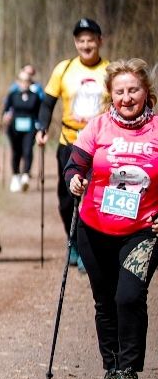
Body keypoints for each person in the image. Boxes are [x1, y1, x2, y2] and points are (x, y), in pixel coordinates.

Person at [64, 58, 158, 379]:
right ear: (110, 95)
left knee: (129, 297)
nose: (126, 97)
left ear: (146, 92)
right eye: (119, 91)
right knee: (104, 301)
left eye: (133, 90)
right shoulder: (98, 126)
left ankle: (130, 369)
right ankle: (112, 368)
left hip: (142, 231)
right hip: (95, 228)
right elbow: (75, 164)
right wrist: (74, 179)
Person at [37, 18, 109, 270]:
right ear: (75, 43)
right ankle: (75, 244)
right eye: (81, 40)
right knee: (67, 199)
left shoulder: (110, 70)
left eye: (91, 40)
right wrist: (42, 127)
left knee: (93, 197)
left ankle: (90, 249)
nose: (86, 45)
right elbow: (48, 103)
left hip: (101, 145)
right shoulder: (64, 69)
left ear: (100, 41)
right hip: (69, 141)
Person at [3, 68, 43, 191]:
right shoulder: (13, 95)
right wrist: (5, 116)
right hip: (14, 128)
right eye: (22, 80)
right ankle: (15, 176)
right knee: (16, 152)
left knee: (27, 150)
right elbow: (6, 110)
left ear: (30, 82)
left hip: (30, 128)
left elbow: (40, 113)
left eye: (27, 81)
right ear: (18, 81)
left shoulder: (35, 96)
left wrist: (41, 128)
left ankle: (26, 175)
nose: (24, 83)